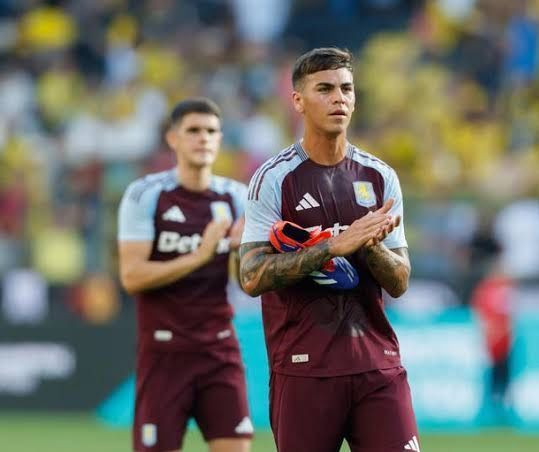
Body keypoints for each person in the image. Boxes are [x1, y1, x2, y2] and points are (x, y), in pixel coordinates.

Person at [240, 47, 420, 452]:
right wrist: (332, 247)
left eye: (346, 89)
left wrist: (370, 245)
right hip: (305, 369)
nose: (339, 98)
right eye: (324, 89)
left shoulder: (380, 177)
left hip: (377, 365)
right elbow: (251, 276)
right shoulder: (274, 179)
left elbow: (400, 281)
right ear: (298, 101)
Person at [117, 98, 252, 452]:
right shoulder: (146, 194)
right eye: (193, 130)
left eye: (211, 131)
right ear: (173, 138)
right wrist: (201, 255)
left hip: (219, 348)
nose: (203, 138)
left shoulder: (237, 197)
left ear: (220, 139)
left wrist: (241, 251)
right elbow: (132, 277)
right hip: (164, 351)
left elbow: (247, 283)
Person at [469, 232, 514, 422]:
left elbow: (511, 315)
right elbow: (479, 315)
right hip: (491, 342)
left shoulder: (506, 286)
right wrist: (486, 334)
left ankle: (502, 411)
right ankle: (487, 411)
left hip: (505, 340)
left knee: (505, 377)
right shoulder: (486, 288)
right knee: (490, 377)